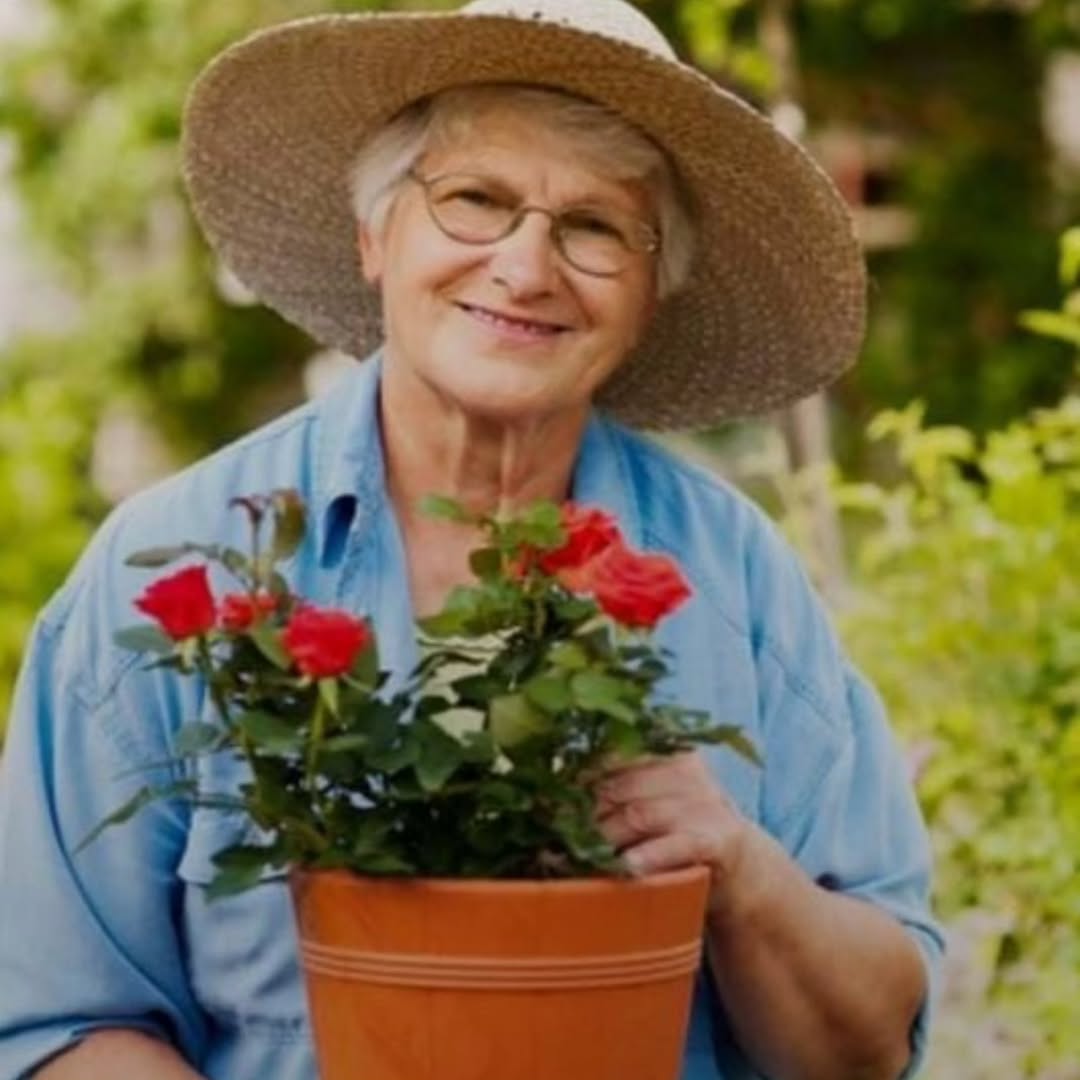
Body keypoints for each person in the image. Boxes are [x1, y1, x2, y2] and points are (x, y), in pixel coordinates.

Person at [0, 0, 944, 1077]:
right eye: (475, 200)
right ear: (375, 238)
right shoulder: (172, 565)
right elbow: (62, 1023)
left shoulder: (740, 577)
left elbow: (867, 1050)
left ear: (650, 294)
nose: (526, 268)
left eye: (596, 226)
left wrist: (739, 867)